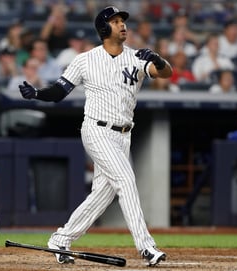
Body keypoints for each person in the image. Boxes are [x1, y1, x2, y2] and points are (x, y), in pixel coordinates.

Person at [18, 6, 172, 267]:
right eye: (115, 21)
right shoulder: (85, 59)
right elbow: (59, 91)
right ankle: (146, 247)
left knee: (103, 193)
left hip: (124, 135)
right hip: (97, 130)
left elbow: (166, 73)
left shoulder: (137, 57)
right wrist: (37, 94)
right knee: (125, 179)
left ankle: (61, 238)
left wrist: (157, 58)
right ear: (103, 28)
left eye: (122, 20)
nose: (122, 24)